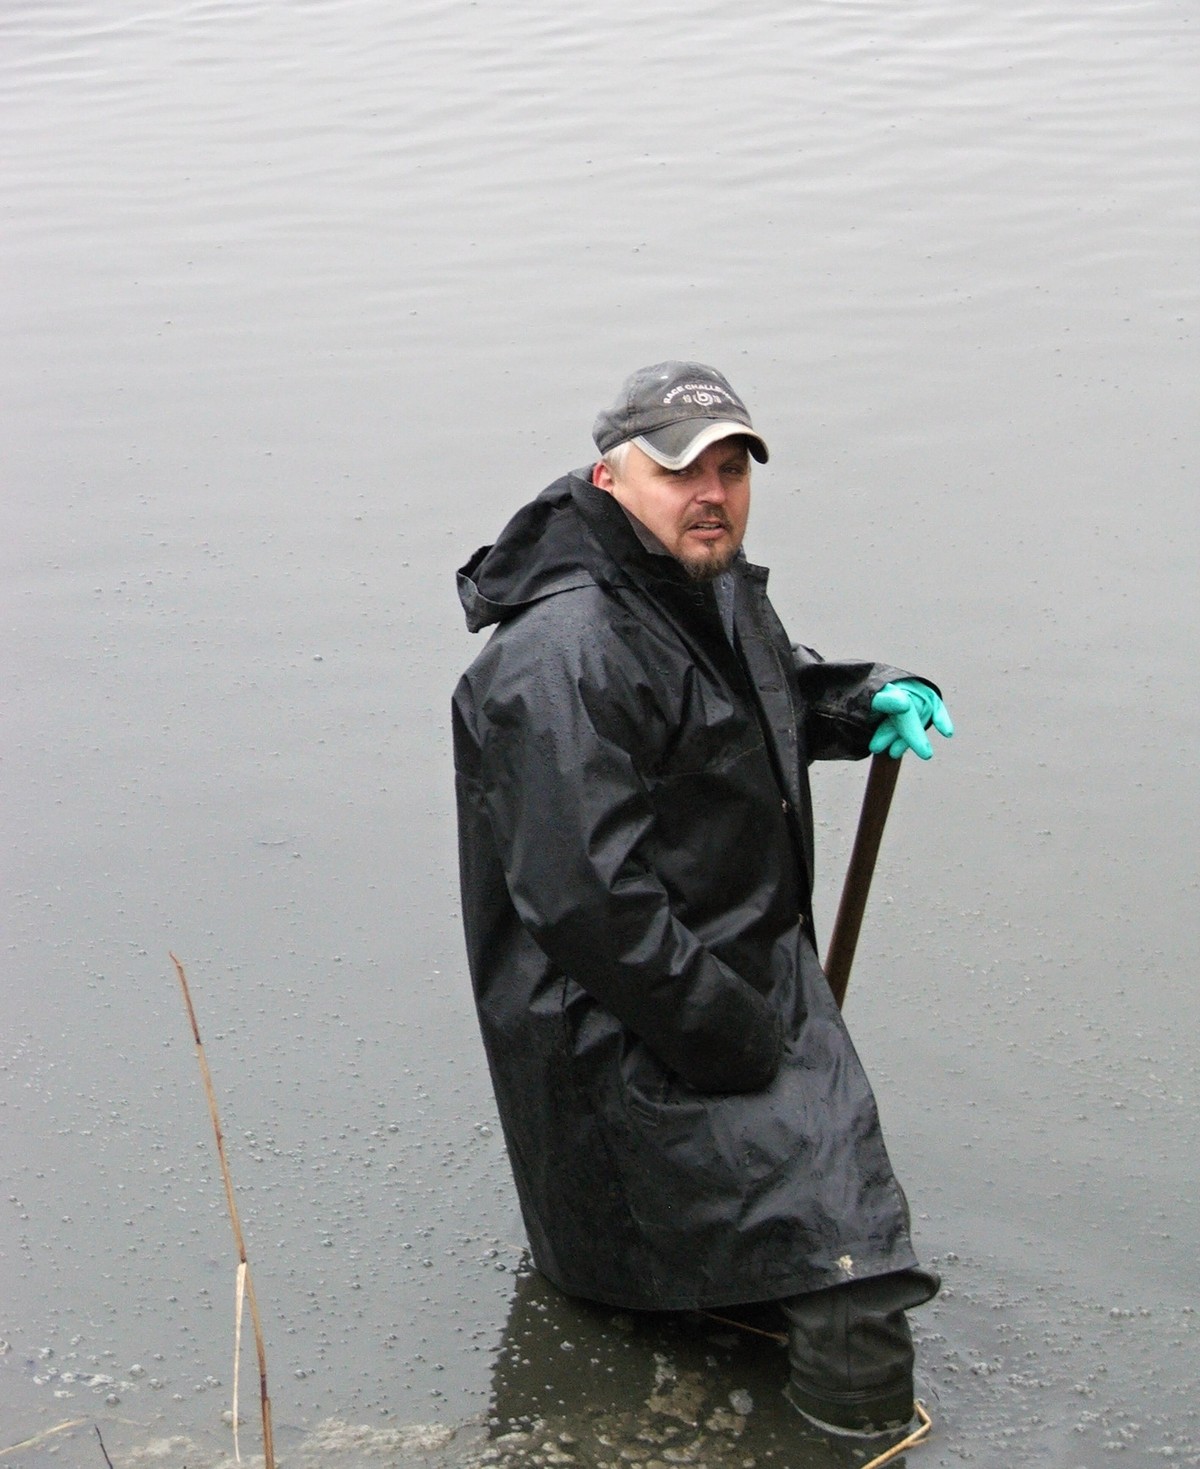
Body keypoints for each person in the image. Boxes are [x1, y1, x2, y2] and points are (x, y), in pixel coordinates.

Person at [451, 361, 954, 1439]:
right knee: (856, 1279)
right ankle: (859, 1446)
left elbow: (746, 696)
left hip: (732, 976)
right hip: (635, 1021)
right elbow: (589, 901)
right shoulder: (561, 654)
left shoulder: (699, 585)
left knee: (814, 1235)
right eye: (682, 470)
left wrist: (858, 702)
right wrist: (738, 1032)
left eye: (732, 468)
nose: (713, 493)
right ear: (610, 477)